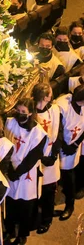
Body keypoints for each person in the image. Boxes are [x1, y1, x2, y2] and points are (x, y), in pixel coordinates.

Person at [4, 98, 47, 245]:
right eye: (18, 110)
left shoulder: (38, 133)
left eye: (23, 112)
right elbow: (4, 146)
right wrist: (9, 169)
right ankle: (9, 230)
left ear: (30, 113)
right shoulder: (9, 123)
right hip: (11, 169)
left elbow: (34, 156)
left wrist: (18, 172)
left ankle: (22, 234)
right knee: (10, 203)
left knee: (25, 205)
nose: (20, 114)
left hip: (26, 172)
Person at [32, 83, 63, 234]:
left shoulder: (55, 110)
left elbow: (59, 132)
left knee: (49, 190)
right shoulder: (31, 113)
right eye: (50, 94)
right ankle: (33, 218)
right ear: (45, 97)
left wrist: (53, 154)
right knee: (33, 191)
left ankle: (46, 219)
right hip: (35, 160)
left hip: (50, 156)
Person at [55, 85, 84, 220]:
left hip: (73, 145)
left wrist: (75, 144)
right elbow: (57, 126)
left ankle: (69, 204)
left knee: (68, 175)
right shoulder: (63, 106)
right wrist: (63, 144)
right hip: (60, 143)